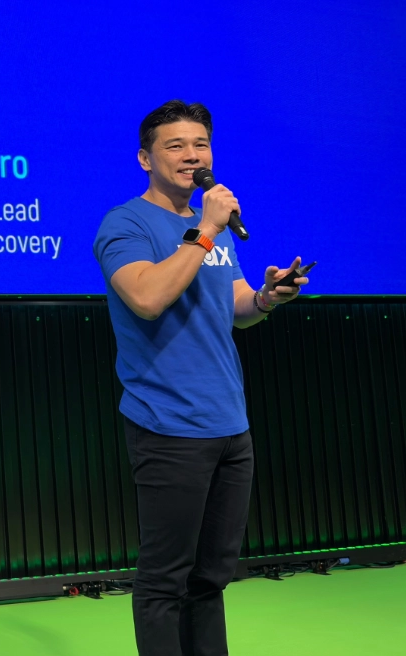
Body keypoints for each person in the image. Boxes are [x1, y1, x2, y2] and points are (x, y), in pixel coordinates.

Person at [92, 100, 308, 656]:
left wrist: (267, 297)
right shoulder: (126, 224)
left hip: (230, 424)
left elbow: (234, 306)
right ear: (145, 158)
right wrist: (207, 229)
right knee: (165, 579)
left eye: (201, 145)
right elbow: (147, 297)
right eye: (176, 146)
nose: (193, 156)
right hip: (168, 425)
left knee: (210, 578)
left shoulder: (213, 233)